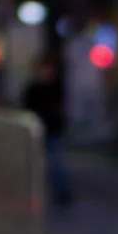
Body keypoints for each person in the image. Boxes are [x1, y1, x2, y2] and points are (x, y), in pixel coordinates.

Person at [20, 55, 71, 208]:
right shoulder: (32, 89)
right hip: (36, 132)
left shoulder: (56, 87)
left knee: (56, 163)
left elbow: (60, 109)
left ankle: (62, 193)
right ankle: (33, 193)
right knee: (35, 163)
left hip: (53, 130)